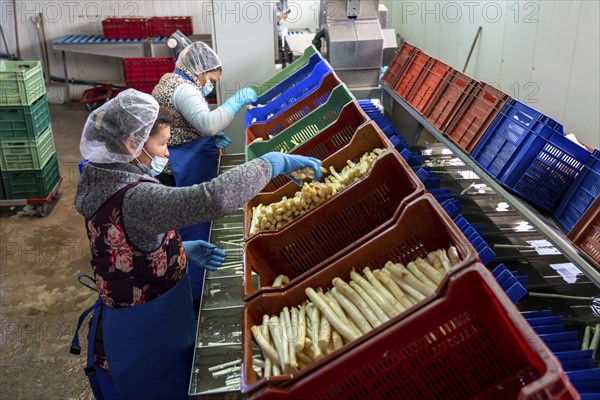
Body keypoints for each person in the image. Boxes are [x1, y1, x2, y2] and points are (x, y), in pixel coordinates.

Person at [70, 89, 322, 400]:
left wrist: (175, 250)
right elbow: (209, 199)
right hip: (147, 333)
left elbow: (121, 242)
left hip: (135, 318)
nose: (166, 153)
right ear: (131, 144)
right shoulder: (135, 196)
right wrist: (270, 164)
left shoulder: (102, 176)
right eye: (162, 144)